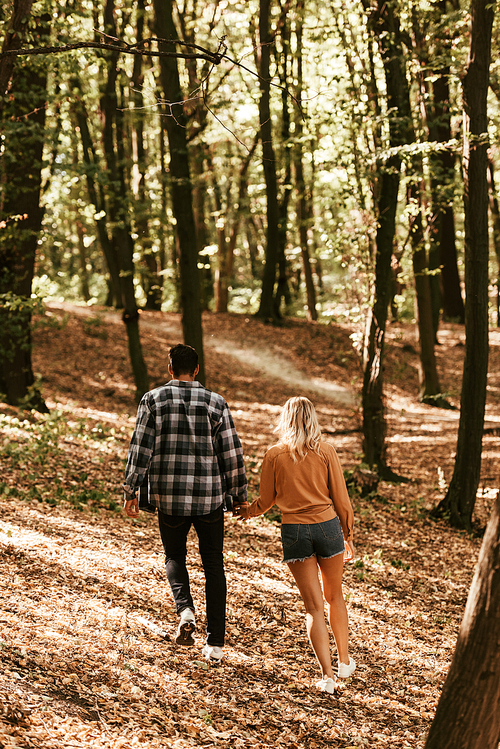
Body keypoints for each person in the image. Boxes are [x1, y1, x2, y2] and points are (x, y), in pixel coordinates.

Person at [123, 343, 247, 662]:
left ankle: (186, 610)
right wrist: (238, 495)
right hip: (209, 498)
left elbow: (141, 448)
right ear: (196, 370)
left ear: (170, 369)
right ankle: (215, 644)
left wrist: (130, 489)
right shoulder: (216, 403)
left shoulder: (153, 400)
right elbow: (231, 453)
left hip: (169, 496)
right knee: (213, 563)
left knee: (174, 555)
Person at [236, 396, 355, 694]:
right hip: (328, 528)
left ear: (285, 419)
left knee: (314, 608)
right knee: (335, 597)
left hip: (294, 531)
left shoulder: (275, 454)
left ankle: (327, 676)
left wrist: (248, 512)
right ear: (312, 418)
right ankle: (344, 662)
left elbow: (266, 500)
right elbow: (341, 499)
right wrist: (348, 535)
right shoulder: (326, 451)